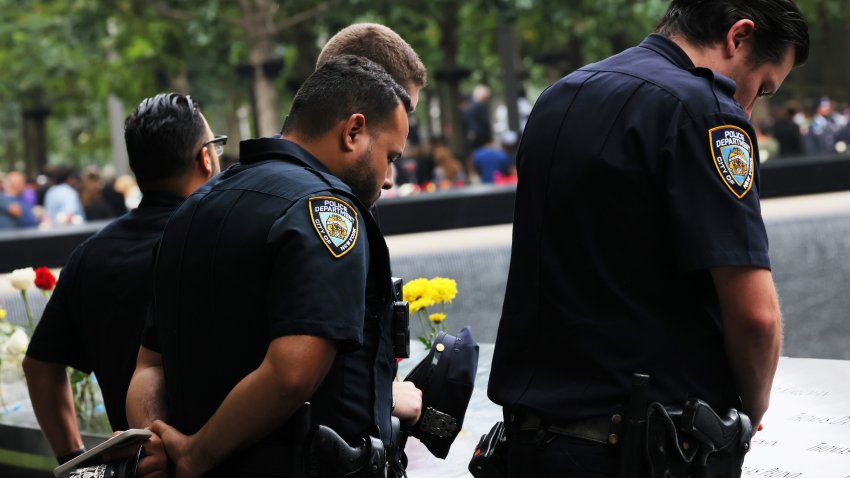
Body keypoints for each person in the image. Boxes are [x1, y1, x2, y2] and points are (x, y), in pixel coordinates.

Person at [488, 1, 809, 476]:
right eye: (761, 87)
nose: (749, 105)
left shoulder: (559, 97)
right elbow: (757, 318)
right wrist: (753, 408)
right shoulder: (707, 113)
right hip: (640, 452)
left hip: (530, 444)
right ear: (738, 37)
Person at [127, 55, 413, 478]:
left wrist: (153, 441)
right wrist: (193, 456)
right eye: (390, 156)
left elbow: (150, 366)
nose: (389, 178)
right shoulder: (327, 210)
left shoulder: (190, 211)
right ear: (353, 131)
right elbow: (292, 372)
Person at [23, 93, 222, 472]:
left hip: (135, 464)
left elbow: (39, 366)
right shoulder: (219, 242)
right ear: (205, 158)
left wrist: (75, 460)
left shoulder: (91, 255)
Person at [316, 20, 427, 428]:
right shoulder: (328, 212)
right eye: (403, 113)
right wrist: (385, 394)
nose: (405, 133)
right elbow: (295, 369)